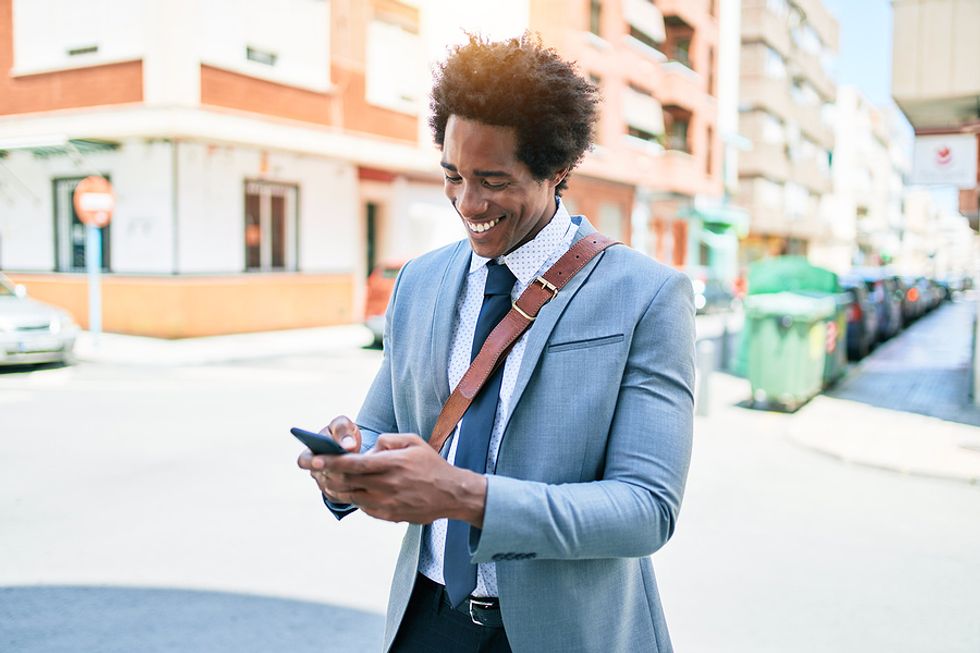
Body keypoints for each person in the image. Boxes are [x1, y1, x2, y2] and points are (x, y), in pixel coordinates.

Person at [297, 33, 694, 653]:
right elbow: (382, 427)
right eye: (452, 176)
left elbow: (646, 510)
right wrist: (348, 465)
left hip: (569, 633)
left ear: (558, 171)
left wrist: (463, 495)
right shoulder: (419, 281)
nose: (468, 203)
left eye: (493, 180)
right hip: (428, 619)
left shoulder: (646, 295)